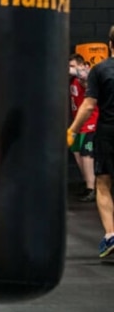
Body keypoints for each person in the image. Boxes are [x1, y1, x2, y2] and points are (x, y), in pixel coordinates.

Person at [68, 27, 114, 259]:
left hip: (108, 133)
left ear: (110, 44)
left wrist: (72, 130)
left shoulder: (101, 69)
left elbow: (88, 106)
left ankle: (111, 235)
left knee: (103, 185)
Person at [69, 54, 98, 202]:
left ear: (81, 65)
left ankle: (92, 189)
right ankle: (88, 183)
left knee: (87, 154)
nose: (70, 69)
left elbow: (85, 77)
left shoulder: (84, 78)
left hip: (90, 122)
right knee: (76, 151)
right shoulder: (72, 80)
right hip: (78, 124)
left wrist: (73, 70)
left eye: (73, 65)